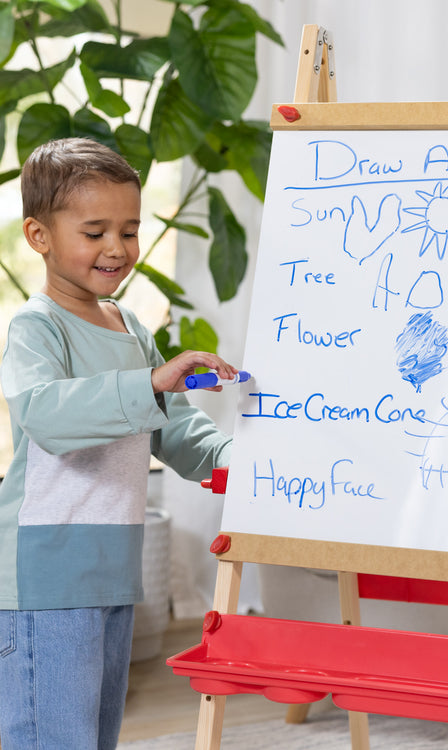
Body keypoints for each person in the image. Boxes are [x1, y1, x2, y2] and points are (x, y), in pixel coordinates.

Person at [0, 137, 236, 749]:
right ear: (39, 235)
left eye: (129, 231)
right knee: (49, 736)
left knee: (94, 735)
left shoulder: (130, 326)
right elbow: (46, 417)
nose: (117, 248)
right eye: (95, 230)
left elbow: (174, 427)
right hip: (45, 577)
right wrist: (152, 380)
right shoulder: (36, 327)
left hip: (114, 568)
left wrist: (236, 460)